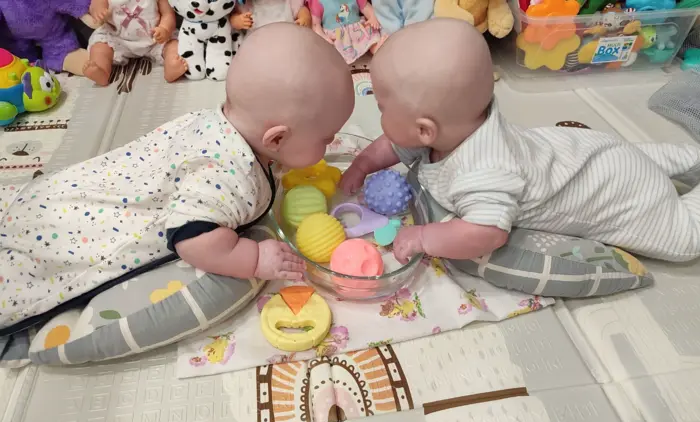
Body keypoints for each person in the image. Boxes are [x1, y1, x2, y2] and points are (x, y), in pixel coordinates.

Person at [0, 23, 355, 331]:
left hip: (52, 193)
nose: (331, 143)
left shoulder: (216, 121)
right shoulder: (232, 177)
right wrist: (255, 259)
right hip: (65, 233)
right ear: (275, 139)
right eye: (326, 138)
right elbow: (192, 239)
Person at [340, 18, 700, 265]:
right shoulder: (457, 124)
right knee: (634, 157)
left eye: (382, 107)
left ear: (425, 131)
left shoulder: (483, 173)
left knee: (684, 243)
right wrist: (363, 163)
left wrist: (423, 237)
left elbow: (486, 233)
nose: (379, 115)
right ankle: (685, 156)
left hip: (623, 196)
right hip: (602, 154)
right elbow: (394, 143)